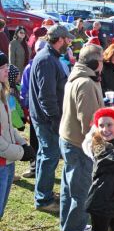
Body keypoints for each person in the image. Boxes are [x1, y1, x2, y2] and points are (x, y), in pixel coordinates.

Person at [59, 44, 105, 231]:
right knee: (81, 190)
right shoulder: (85, 82)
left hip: (69, 139)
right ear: (95, 63)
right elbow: (88, 120)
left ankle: (70, 224)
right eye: (102, 60)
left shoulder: (79, 76)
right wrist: (98, 147)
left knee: (69, 187)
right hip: (79, 144)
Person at [29, 25, 74, 212]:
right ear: (60, 39)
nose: (70, 43)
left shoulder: (50, 57)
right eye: (68, 39)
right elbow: (46, 95)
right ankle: (44, 200)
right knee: (50, 157)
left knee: (44, 156)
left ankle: (42, 193)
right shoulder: (47, 60)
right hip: (47, 119)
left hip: (44, 118)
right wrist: (55, 119)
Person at [0, 52, 35, 231]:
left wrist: (22, 143)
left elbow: (8, 129)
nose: (7, 70)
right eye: (3, 67)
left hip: (7, 163)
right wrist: (22, 153)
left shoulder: (2, 93)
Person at [20, 39, 46, 178]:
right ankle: (35, 167)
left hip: (42, 110)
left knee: (43, 140)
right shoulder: (30, 68)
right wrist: (26, 108)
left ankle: (40, 168)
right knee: (36, 140)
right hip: (35, 110)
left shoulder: (34, 66)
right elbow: (24, 90)